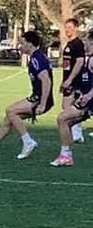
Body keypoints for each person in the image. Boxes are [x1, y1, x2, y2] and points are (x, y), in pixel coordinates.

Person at [0, 31, 53, 159]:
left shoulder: (37, 59)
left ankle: (28, 141)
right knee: (9, 119)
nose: (20, 45)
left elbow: (46, 80)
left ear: (30, 44)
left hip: (39, 99)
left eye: (22, 43)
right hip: (37, 97)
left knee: (11, 111)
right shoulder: (36, 57)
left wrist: (42, 104)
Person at [51, 30, 93, 167]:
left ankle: (66, 155)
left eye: (86, 40)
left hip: (90, 102)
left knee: (62, 118)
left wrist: (89, 94)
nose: (84, 43)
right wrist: (82, 93)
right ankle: (66, 155)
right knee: (65, 121)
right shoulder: (89, 58)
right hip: (87, 102)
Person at [60, 18, 86, 143]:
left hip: (74, 81)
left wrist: (70, 79)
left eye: (70, 27)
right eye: (66, 27)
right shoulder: (68, 44)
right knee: (67, 106)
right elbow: (66, 65)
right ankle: (77, 133)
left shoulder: (77, 43)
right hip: (68, 80)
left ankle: (76, 133)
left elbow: (80, 62)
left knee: (68, 107)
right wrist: (64, 80)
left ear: (76, 28)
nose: (67, 30)